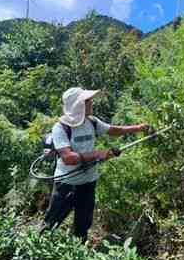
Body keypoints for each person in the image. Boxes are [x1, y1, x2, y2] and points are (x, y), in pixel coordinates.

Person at [43, 87, 150, 243]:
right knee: (52, 222)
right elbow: (68, 157)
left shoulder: (91, 121)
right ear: (77, 105)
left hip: (88, 182)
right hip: (66, 183)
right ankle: (39, 253)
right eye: (87, 101)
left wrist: (138, 128)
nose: (91, 103)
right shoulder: (61, 128)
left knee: (83, 224)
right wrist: (98, 154)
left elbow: (113, 130)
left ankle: (79, 253)